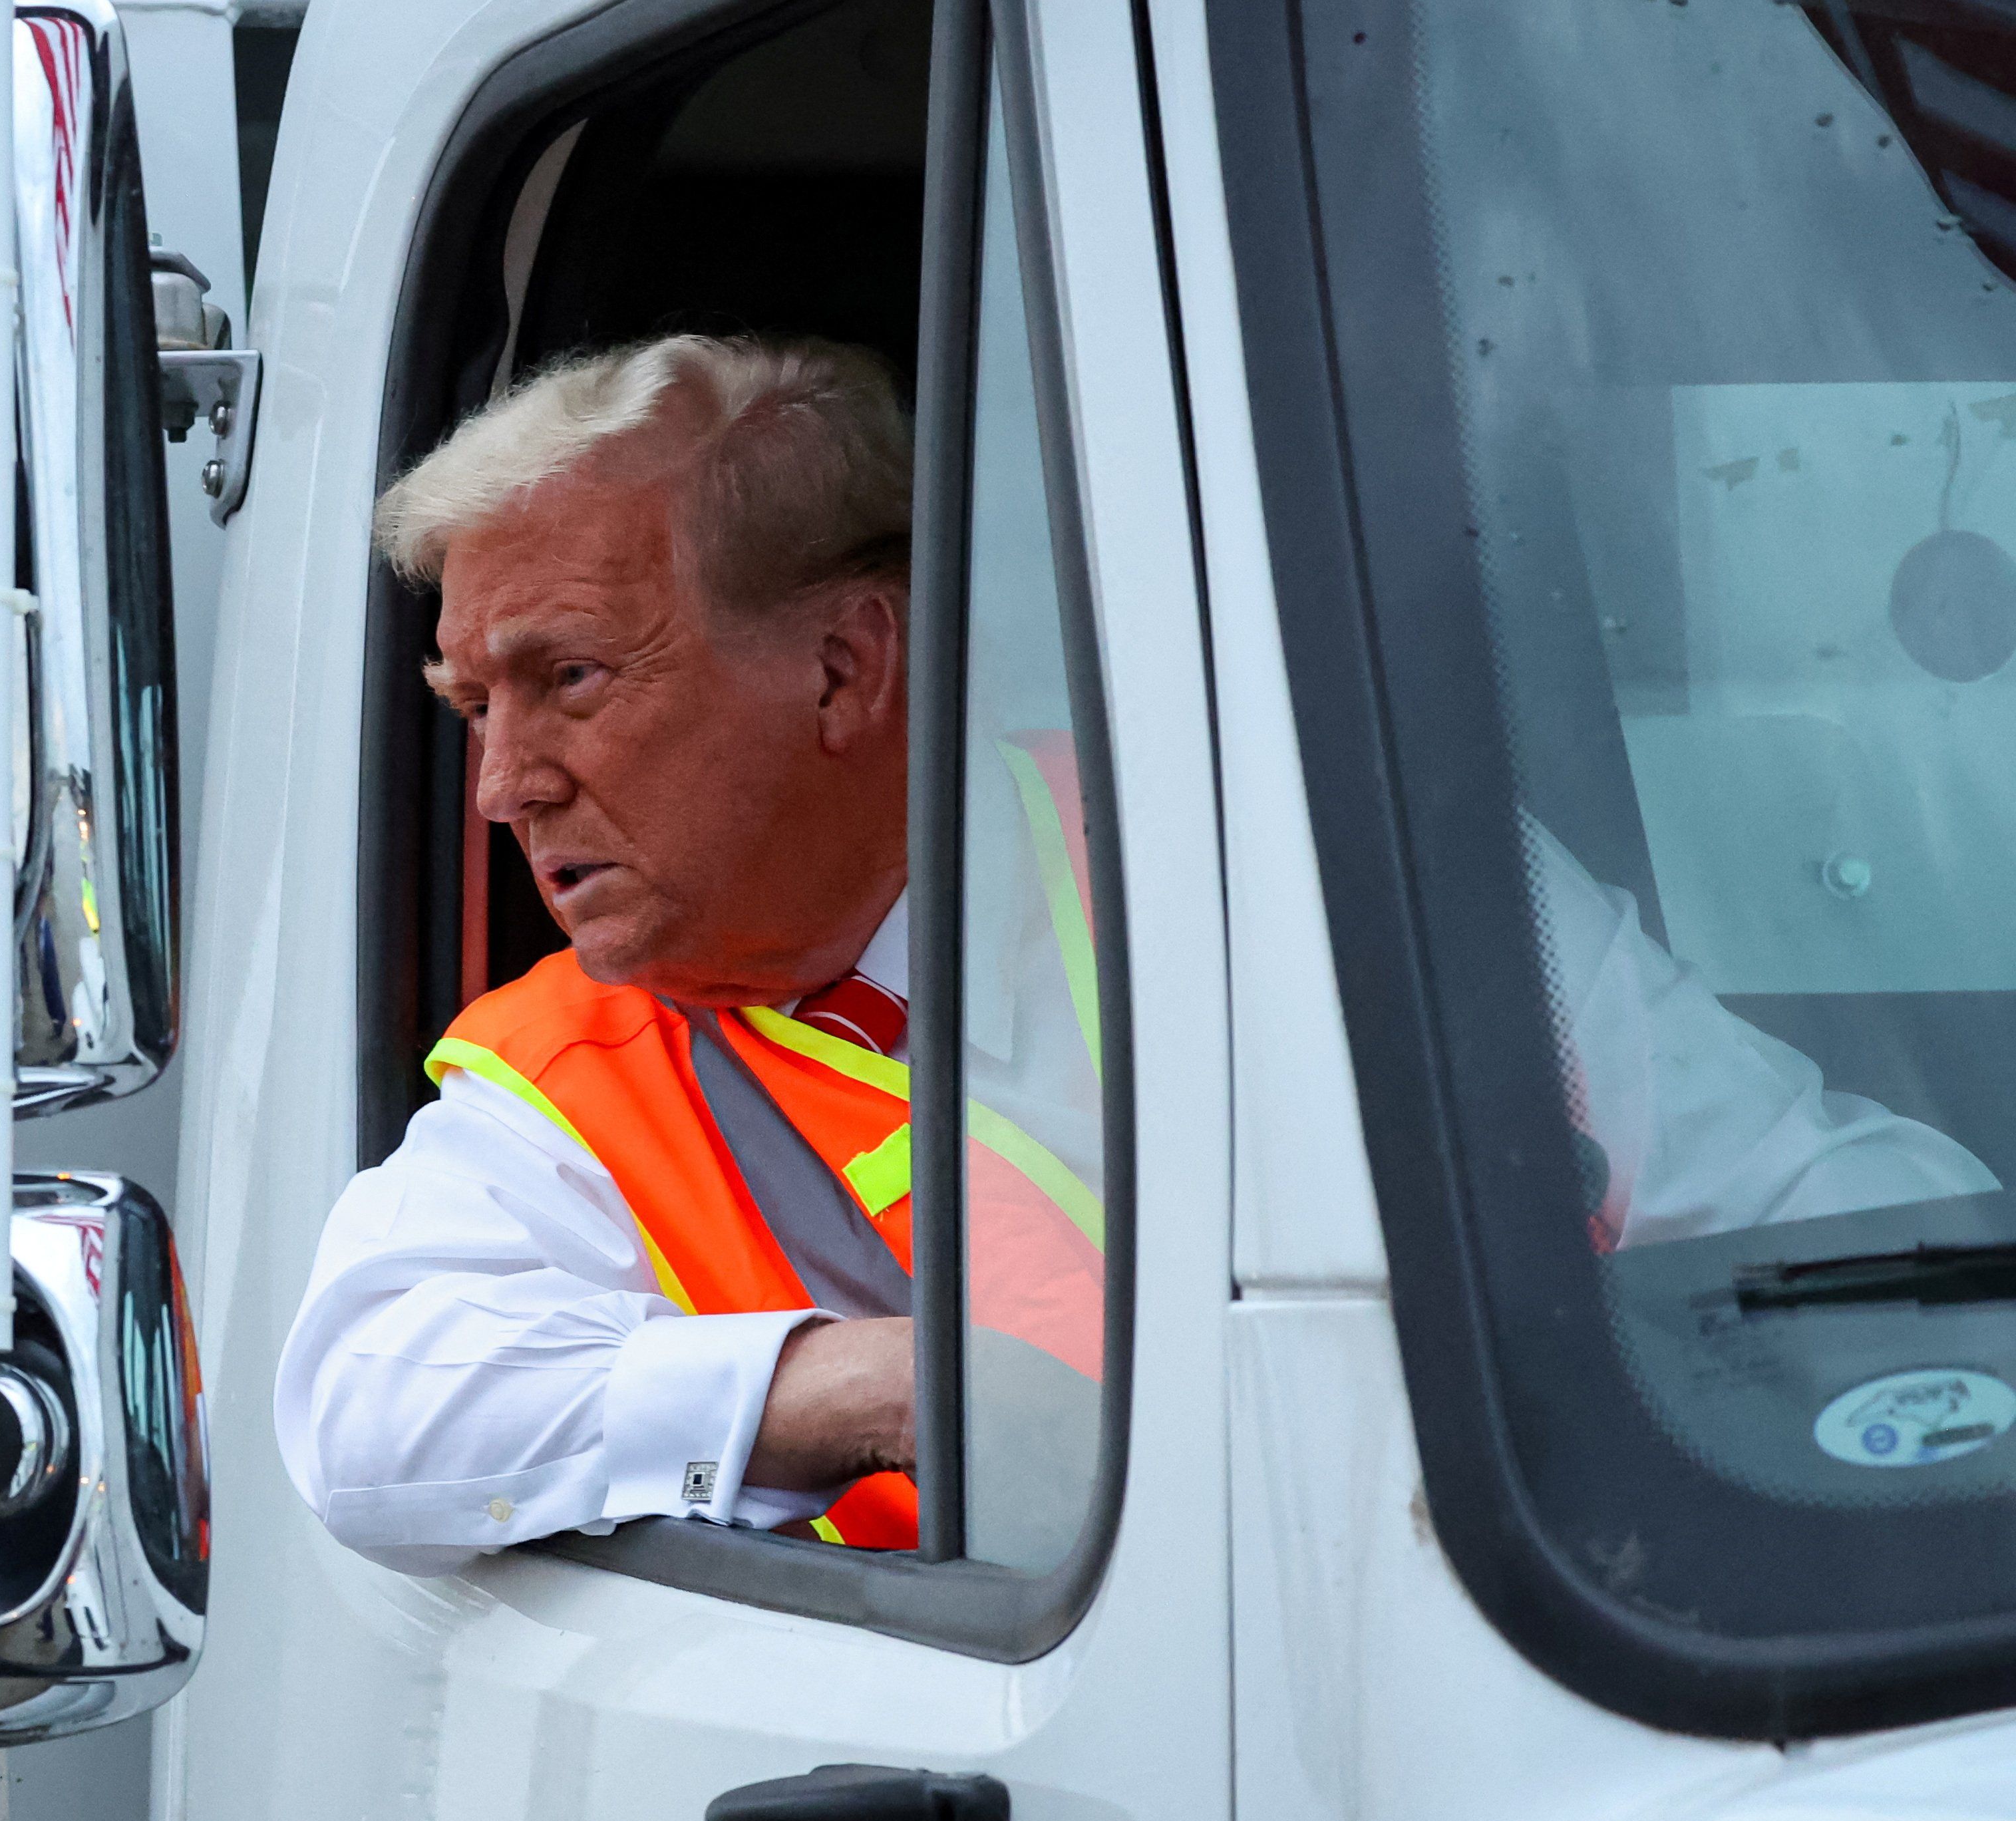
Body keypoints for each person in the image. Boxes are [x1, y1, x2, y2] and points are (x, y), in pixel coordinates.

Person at [276, 333, 1995, 1577]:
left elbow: (1855, 1213)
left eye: (569, 679)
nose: (503, 787)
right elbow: (366, 1416)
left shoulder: (1314, 873)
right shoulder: (562, 1078)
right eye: (471, 708)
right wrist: (865, 1388)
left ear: (846, 666)